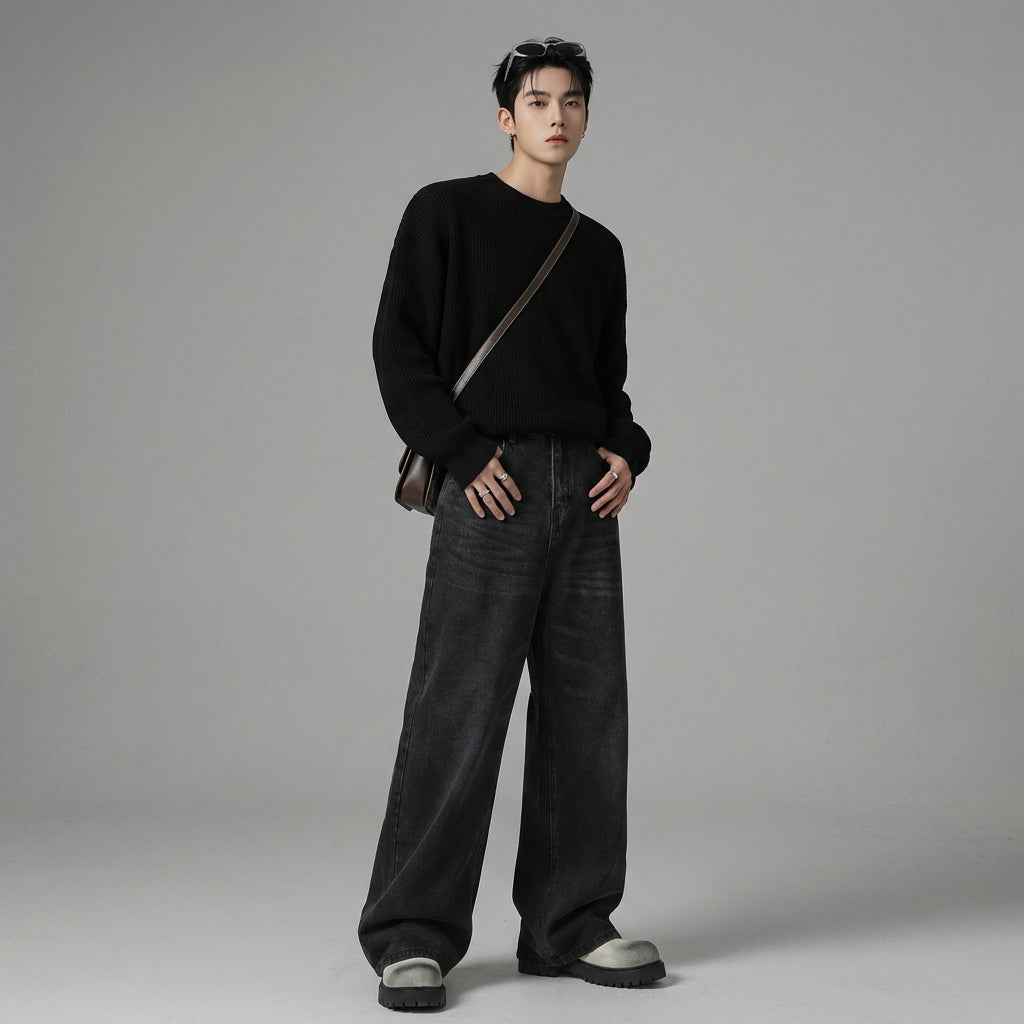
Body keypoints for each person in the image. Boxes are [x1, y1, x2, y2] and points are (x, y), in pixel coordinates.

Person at [359, 37, 663, 1011]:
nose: (556, 116)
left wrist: (628, 450)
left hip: (583, 493)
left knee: (588, 712)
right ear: (505, 116)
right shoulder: (444, 212)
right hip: (490, 481)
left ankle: (570, 923)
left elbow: (605, 383)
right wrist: (460, 453)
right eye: (537, 100)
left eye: (572, 101)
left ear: (586, 116)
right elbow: (398, 349)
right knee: (457, 706)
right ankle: (412, 935)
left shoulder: (598, 249)